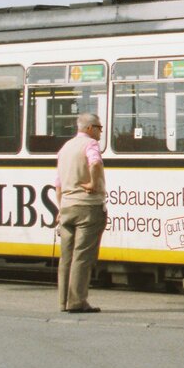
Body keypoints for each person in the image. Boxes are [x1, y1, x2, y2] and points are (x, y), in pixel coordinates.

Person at [55, 112, 107, 313]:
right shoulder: (90, 145)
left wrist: (60, 208)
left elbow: (58, 184)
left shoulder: (65, 148)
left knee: (66, 256)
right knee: (82, 256)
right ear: (89, 128)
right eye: (99, 128)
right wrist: (94, 183)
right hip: (87, 207)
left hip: (67, 207)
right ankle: (77, 301)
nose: (100, 132)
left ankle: (63, 302)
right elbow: (95, 163)